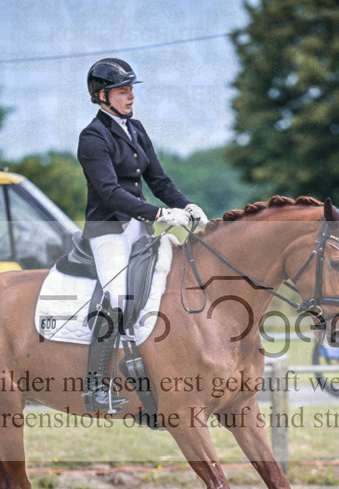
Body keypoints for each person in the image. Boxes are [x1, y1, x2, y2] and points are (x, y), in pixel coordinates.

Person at [77, 57, 208, 414]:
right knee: (118, 297)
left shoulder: (136, 129)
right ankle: (96, 387)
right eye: (122, 91)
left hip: (139, 228)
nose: (130, 96)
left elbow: (159, 181)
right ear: (102, 96)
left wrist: (187, 205)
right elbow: (108, 192)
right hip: (108, 230)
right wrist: (161, 214)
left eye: (131, 89)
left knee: (173, 281)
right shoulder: (92, 137)